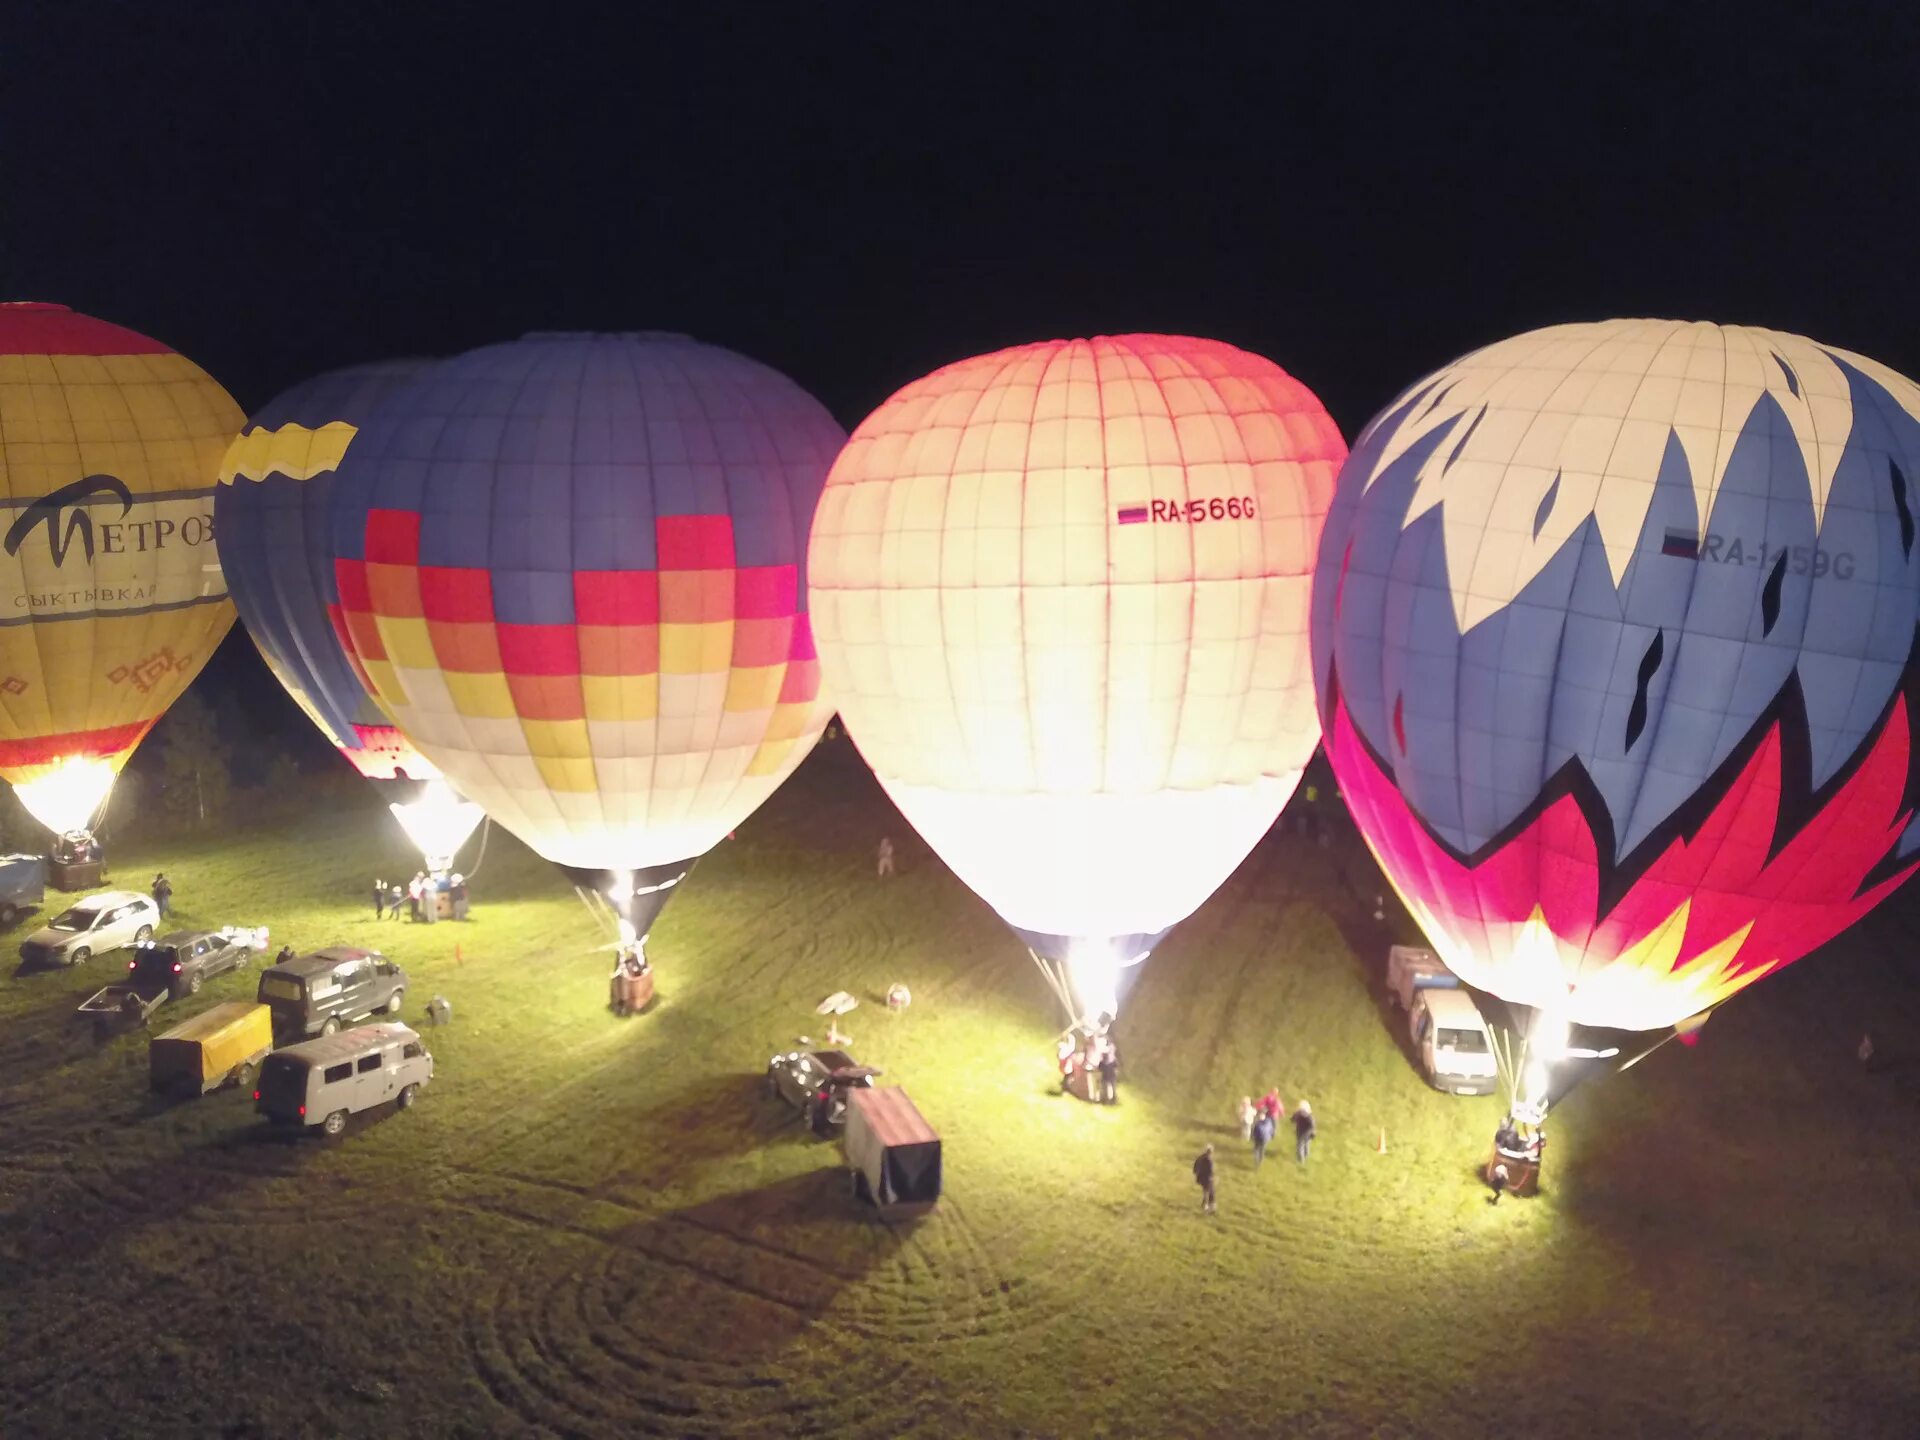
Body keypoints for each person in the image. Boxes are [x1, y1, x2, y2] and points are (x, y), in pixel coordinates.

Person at [1193, 1144, 1216, 1214]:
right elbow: (1210, 1171)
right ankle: (1208, 1207)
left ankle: (1205, 1205)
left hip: (1200, 1178)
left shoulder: (1200, 1157)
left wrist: (1196, 1173)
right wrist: (1212, 1178)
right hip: (1206, 1178)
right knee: (1210, 1192)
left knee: (1206, 1191)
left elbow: (1195, 1167)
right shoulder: (1208, 1160)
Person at [1292, 1099, 1316, 1163]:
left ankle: (1301, 1161)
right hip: (1308, 1132)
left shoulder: (1298, 1113)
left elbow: (1292, 1119)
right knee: (1306, 1144)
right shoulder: (1309, 1115)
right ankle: (1306, 1157)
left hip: (1301, 1132)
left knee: (1300, 1145)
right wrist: (1313, 1132)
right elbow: (1312, 1124)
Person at [1097, 1040, 1118, 1105]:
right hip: (1109, 1077)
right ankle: (1108, 1099)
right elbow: (1116, 1067)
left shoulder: (1104, 1062)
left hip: (1108, 1077)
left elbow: (1099, 1069)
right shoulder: (1111, 1060)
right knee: (1108, 1088)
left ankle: (1109, 1099)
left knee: (1108, 1088)